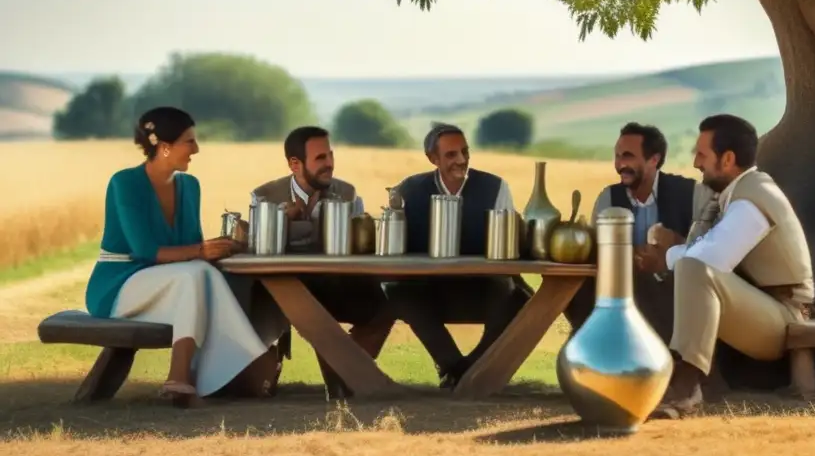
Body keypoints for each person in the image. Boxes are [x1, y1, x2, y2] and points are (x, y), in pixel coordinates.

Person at [84, 107, 283, 407]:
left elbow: (193, 247)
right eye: (189, 141)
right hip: (118, 286)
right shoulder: (125, 183)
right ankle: (232, 362)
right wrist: (200, 252)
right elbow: (145, 250)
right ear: (164, 147)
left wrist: (227, 246)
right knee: (195, 274)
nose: (196, 149)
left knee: (203, 273)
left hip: (172, 285)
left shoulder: (190, 186)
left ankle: (186, 377)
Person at [640, 114, 815, 418]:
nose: (696, 162)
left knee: (691, 267)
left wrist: (664, 258)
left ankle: (686, 388)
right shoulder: (735, 194)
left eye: (702, 155)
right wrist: (675, 247)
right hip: (761, 309)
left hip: (783, 319)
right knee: (682, 270)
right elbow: (709, 249)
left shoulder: (753, 199)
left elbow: (710, 259)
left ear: (728, 158)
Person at [250, 125, 395, 398]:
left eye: (330, 155)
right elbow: (256, 247)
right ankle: (344, 382)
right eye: (320, 159)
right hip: (282, 289)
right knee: (256, 386)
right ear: (295, 164)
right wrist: (284, 220)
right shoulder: (264, 196)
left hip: (336, 282)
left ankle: (342, 379)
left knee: (387, 307)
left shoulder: (349, 195)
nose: (329, 164)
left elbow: (359, 248)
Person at [382, 123, 530, 388]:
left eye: (465, 151)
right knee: (396, 290)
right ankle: (456, 366)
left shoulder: (496, 187)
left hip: (482, 289)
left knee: (518, 296)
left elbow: (509, 250)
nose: (461, 160)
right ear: (433, 158)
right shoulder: (408, 190)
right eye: (451, 155)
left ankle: (466, 368)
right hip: (430, 292)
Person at [563, 122, 712, 342]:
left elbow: (711, 246)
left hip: (675, 298)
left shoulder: (693, 193)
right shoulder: (608, 199)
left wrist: (676, 245)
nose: (620, 164)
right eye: (617, 156)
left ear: (654, 159)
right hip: (621, 294)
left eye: (628, 156)